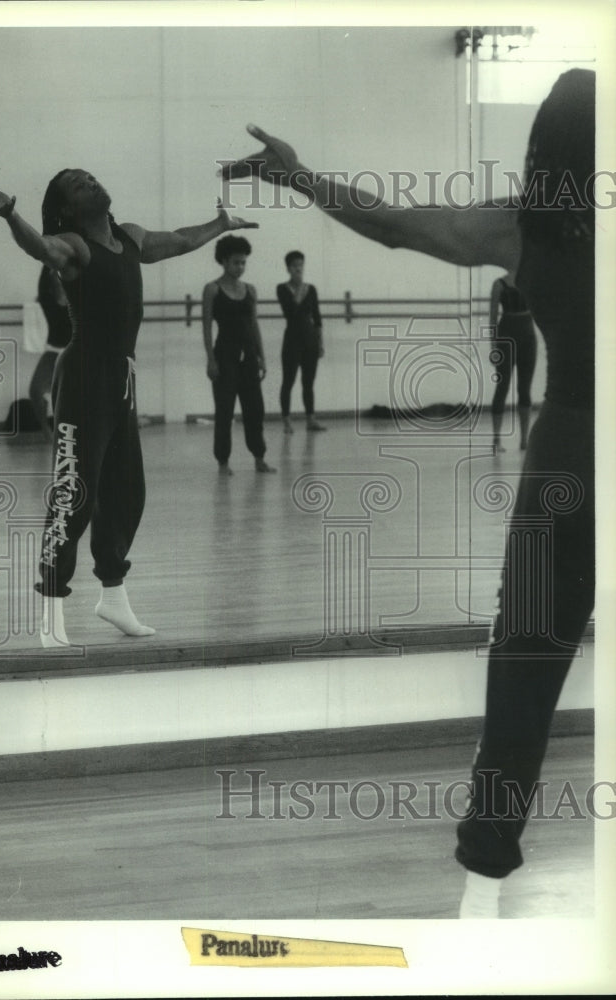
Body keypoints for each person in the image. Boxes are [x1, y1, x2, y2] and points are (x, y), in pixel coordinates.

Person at [222, 67, 596, 918]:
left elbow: (393, 225)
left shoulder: (520, 227)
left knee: (524, 663)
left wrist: (298, 175)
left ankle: (482, 881)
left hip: (569, 457)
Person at [0, 172, 257, 647]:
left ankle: (113, 597)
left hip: (121, 380)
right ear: (67, 208)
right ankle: (50, 611)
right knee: (74, 495)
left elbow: (179, 240)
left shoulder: (131, 237)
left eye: (90, 178)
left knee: (127, 493)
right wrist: (11, 216)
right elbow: (41, 247)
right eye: (78, 185)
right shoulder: (75, 246)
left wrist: (220, 224)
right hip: (83, 378)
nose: (90, 183)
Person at [202, 234, 276, 475]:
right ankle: (223, 462)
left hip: (249, 357)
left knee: (255, 409)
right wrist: (211, 360)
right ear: (224, 261)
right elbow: (206, 327)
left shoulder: (250, 290)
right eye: (236, 262)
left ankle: (259, 458)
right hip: (225, 356)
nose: (240, 267)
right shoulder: (212, 289)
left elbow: (254, 325)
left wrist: (262, 357)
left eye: (243, 262)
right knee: (224, 410)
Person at [277, 250, 326, 433]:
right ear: (288, 268)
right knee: (288, 381)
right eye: (294, 265)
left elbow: (317, 318)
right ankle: (286, 421)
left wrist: (320, 343)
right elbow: (290, 311)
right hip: (292, 340)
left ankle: (311, 419)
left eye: (301, 265)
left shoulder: (311, 289)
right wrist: (298, 289)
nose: (298, 268)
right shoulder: (282, 289)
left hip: (310, 339)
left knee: (308, 382)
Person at [488, 272, 537, 454]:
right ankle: (496, 440)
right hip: (506, 336)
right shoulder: (499, 284)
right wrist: (493, 347)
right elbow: (492, 319)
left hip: (528, 335)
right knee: (502, 386)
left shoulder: (530, 279)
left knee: (525, 388)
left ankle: (524, 440)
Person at [28, 265, 73, 442]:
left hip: (76, 352)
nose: (57, 279)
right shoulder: (47, 300)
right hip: (54, 351)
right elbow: (43, 280)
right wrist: (48, 265)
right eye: (54, 277)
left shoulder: (78, 299)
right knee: (35, 391)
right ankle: (46, 430)